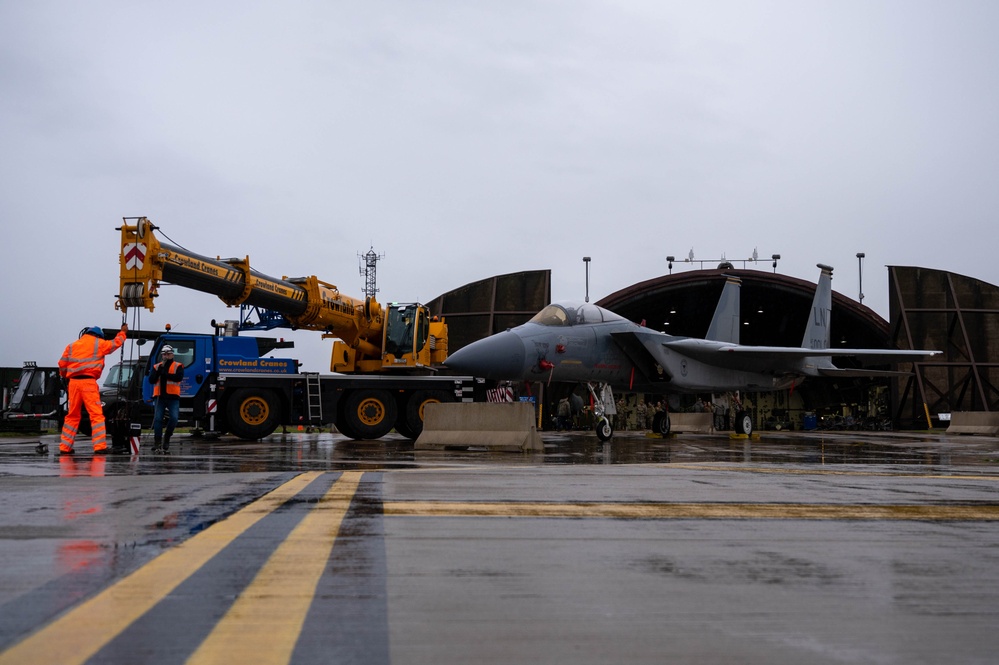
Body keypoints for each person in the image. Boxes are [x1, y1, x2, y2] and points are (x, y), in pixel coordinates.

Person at [58, 324, 128, 455]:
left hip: (73, 383)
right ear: (98, 335)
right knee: (96, 415)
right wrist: (123, 332)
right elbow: (115, 344)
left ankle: (65, 447)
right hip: (88, 383)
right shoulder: (99, 343)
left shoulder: (72, 346)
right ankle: (99, 446)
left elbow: (62, 364)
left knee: (72, 416)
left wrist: (64, 376)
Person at [149, 345, 184, 454]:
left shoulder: (178, 366)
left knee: (174, 418)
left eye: (168, 354)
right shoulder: (156, 366)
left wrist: (165, 373)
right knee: (158, 419)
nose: (166, 356)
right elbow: (151, 380)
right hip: (159, 396)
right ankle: (157, 442)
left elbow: (178, 378)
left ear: (172, 354)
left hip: (173, 396)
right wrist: (158, 372)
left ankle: (167, 436)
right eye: (164, 354)